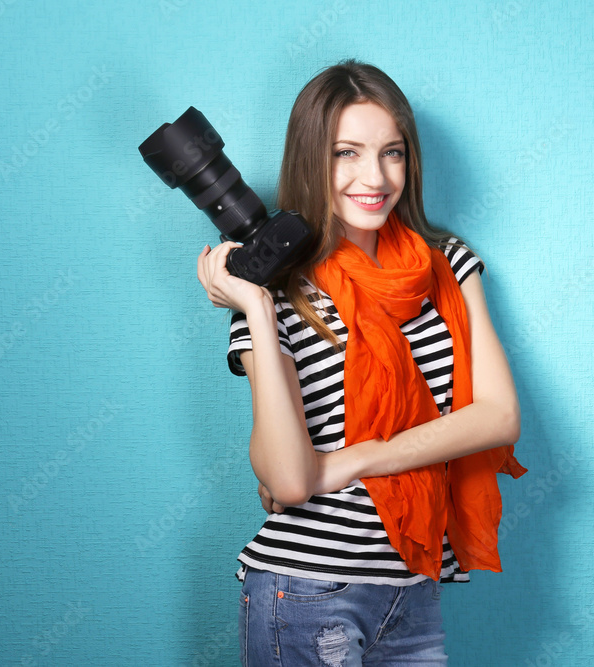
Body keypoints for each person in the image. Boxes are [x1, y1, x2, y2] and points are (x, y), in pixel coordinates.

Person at [196, 59, 526, 666]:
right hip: (305, 590)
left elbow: (499, 417)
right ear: (311, 159)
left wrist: (348, 461)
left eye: (391, 152)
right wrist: (255, 308)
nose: (373, 176)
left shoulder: (447, 264)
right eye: (346, 152)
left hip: (413, 589)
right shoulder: (272, 288)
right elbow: (291, 481)